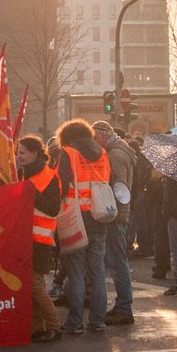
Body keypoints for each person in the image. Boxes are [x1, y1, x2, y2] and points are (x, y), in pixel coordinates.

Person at [54, 119, 111, 334]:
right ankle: (98, 320)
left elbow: (61, 185)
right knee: (97, 272)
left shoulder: (68, 153)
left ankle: (75, 321)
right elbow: (107, 180)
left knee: (76, 272)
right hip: (99, 216)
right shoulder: (102, 152)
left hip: (75, 217)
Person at [18, 135, 62, 343]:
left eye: (23, 152)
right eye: (18, 152)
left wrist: (31, 192)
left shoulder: (49, 177)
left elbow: (53, 208)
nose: (19, 156)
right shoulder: (22, 174)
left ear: (35, 153)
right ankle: (37, 327)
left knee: (36, 286)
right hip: (25, 238)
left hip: (41, 240)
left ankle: (54, 326)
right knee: (30, 286)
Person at [93, 121, 135, 325]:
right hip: (119, 212)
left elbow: (118, 187)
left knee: (117, 261)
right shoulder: (120, 151)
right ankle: (122, 306)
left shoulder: (114, 156)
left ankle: (124, 307)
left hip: (115, 213)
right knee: (117, 260)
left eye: (96, 138)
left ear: (102, 136)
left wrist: (110, 209)